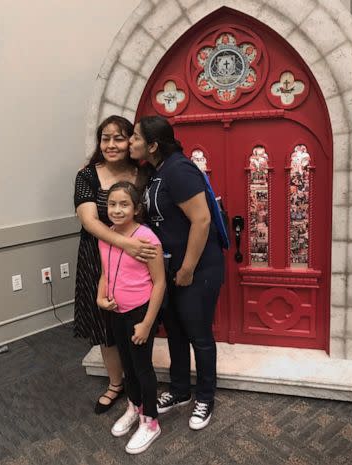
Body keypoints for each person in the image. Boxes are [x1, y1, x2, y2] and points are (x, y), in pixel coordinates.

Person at [129, 115, 225, 430]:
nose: (131, 142)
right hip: (170, 269)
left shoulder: (179, 170)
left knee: (199, 335)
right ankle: (181, 390)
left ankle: (205, 397)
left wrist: (187, 269)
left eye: (135, 137)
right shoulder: (157, 171)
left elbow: (201, 221)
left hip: (196, 269)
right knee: (176, 332)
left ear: (153, 145)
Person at [73, 115, 157, 414]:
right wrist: (125, 244)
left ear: (131, 141)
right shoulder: (87, 176)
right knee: (104, 323)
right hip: (98, 258)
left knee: (134, 320)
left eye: (119, 138)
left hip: (139, 261)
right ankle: (115, 383)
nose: (111, 144)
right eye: (105, 138)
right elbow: (88, 220)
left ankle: (138, 381)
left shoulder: (145, 174)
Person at [96, 181, 166, 454]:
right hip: (116, 312)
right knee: (126, 364)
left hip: (139, 313)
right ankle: (134, 407)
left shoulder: (147, 238)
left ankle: (150, 420)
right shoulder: (107, 235)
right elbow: (106, 272)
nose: (116, 209)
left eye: (124, 204)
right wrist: (100, 298)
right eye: (112, 204)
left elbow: (159, 283)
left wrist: (147, 323)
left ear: (136, 209)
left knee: (142, 368)